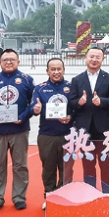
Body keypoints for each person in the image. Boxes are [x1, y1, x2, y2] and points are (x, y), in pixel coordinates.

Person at [0, 49, 34, 211]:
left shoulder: (26, 80)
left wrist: (23, 116)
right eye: (5, 60)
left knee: (20, 166)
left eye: (12, 59)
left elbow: (35, 103)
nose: (8, 62)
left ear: (18, 61)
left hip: (19, 129)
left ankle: (19, 197)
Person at [69, 47, 109, 193]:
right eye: (92, 56)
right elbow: (71, 102)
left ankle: (107, 193)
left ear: (102, 59)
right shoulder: (77, 80)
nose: (94, 60)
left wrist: (101, 101)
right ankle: (90, 193)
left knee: (106, 163)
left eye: (98, 57)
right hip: (84, 128)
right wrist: (80, 102)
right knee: (88, 163)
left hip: (105, 128)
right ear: (86, 58)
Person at [32, 57, 74, 209]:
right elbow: (33, 106)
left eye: (59, 69)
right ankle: (49, 195)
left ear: (64, 70)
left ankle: (62, 195)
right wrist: (35, 110)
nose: (56, 72)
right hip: (47, 135)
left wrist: (71, 117)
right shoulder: (40, 88)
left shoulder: (71, 87)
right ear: (47, 71)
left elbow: (77, 110)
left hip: (67, 134)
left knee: (66, 168)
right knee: (48, 168)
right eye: (53, 69)